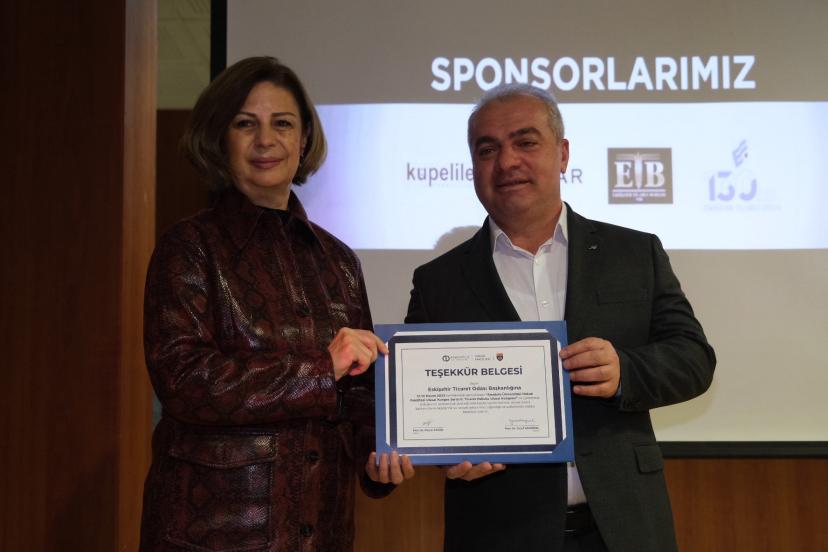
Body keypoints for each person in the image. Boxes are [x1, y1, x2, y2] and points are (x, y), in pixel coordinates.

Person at [405, 83, 716, 552]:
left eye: (526, 142)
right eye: (487, 149)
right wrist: (444, 453)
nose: (507, 162)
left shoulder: (634, 253)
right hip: (498, 533)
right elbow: (419, 406)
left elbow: (694, 359)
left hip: (625, 528)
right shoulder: (438, 281)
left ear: (563, 154)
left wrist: (625, 371)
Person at [139, 56, 411, 552]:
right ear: (220, 138)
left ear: (304, 138)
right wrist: (320, 369)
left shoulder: (338, 261)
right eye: (246, 124)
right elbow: (183, 381)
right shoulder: (190, 247)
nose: (266, 140)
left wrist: (377, 456)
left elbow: (359, 396)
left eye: (282, 123)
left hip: (323, 532)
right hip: (214, 535)